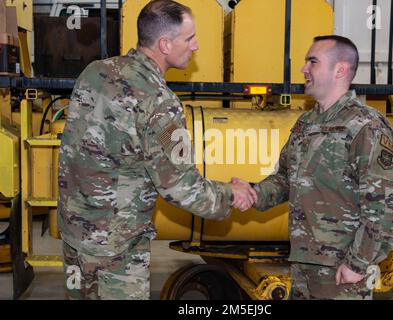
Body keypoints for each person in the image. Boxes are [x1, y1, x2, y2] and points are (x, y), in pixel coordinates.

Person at [57, 0, 256, 300]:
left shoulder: (94, 72)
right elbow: (181, 188)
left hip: (74, 234)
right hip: (117, 249)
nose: (196, 46)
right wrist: (232, 194)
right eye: (189, 38)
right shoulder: (160, 103)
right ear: (165, 44)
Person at [233, 35, 393, 300]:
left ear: (340, 70)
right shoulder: (306, 123)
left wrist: (358, 264)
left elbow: (382, 205)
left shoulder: (366, 126)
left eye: (312, 62)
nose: (303, 69)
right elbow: (285, 180)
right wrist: (253, 192)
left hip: (341, 269)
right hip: (303, 261)